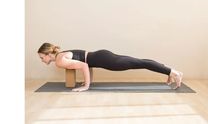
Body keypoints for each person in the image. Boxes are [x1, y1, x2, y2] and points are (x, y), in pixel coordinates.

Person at [38, 42, 183, 92]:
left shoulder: (59, 60)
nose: (41, 60)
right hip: (102, 55)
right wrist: (88, 81)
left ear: (47, 53)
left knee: (140, 63)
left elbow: (83, 65)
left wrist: (86, 86)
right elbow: (87, 62)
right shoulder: (62, 54)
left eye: (41, 57)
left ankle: (174, 72)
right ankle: (169, 71)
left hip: (105, 60)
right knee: (140, 61)